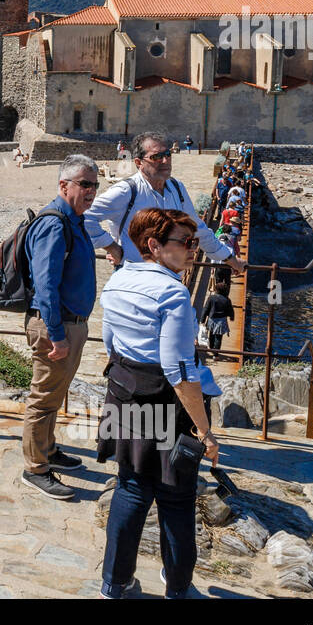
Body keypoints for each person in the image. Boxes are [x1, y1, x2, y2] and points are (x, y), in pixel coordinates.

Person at [96, 208, 220, 599]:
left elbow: (110, 343)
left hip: (124, 392)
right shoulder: (172, 292)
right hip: (168, 404)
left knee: (130, 488)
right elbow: (179, 371)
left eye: (194, 242)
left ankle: (114, 584)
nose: (192, 250)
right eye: (185, 243)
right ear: (153, 245)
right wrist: (205, 430)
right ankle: (178, 587)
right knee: (177, 498)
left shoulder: (116, 282)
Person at [19, 155, 100, 501]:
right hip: (57, 327)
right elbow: (46, 286)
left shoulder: (75, 220)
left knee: (54, 394)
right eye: (84, 184)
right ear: (63, 185)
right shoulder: (54, 224)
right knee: (43, 398)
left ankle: (48, 450)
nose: (91, 191)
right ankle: (35, 469)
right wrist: (56, 335)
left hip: (72, 324)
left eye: (95, 184)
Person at [84, 131, 246, 277]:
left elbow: (198, 229)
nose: (165, 160)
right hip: (135, 280)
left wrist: (230, 259)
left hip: (171, 279)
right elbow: (84, 217)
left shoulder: (177, 188)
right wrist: (111, 246)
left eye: (168, 154)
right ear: (139, 162)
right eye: (156, 157)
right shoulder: (126, 191)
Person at [201, 279, 235, 357]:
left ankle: (211, 347)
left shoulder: (211, 298)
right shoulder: (227, 299)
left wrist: (202, 320)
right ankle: (216, 354)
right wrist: (231, 317)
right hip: (222, 320)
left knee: (211, 334)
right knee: (219, 338)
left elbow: (206, 309)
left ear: (216, 290)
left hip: (212, 319)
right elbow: (230, 309)